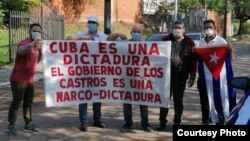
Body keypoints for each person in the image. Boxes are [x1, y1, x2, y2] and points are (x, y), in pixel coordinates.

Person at [108, 24, 154, 132]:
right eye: (134, 31)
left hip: (142, 79)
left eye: (139, 32)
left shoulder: (147, 45)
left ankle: (145, 124)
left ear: (142, 34)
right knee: (127, 102)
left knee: (143, 103)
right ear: (131, 33)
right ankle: (128, 123)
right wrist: (119, 34)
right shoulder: (124, 44)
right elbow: (109, 41)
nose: (136, 33)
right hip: (126, 78)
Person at [67, 16, 108, 131]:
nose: (91, 24)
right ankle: (83, 122)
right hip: (83, 72)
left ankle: (97, 120)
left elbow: (114, 44)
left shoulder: (103, 37)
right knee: (83, 98)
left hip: (98, 73)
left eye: (93, 23)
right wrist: (86, 37)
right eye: (89, 22)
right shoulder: (81, 34)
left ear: (97, 25)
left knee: (97, 98)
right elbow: (68, 39)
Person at [157, 21, 197, 130]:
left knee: (178, 102)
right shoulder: (166, 40)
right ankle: (162, 122)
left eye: (179, 28)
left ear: (184, 29)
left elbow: (194, 62)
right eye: (175, 27)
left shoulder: (189, 42)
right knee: (164, 101)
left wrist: (192, 77)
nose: (177, 29)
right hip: (166, 78)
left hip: (181, 78)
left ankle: (177, 122)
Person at [197, 19, 236, 125]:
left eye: (210, 27)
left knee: (223, 98)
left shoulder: (222, 41)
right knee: (210, 99)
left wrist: (230, 49)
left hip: (220, 77)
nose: (208, 29)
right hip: (207, 77)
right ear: (203, 29)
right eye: (206, 27)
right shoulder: (201, 42)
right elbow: (198, 58)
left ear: (214, 29)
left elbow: (231, 59)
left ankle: (225, 118)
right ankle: (214, 120)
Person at [7, 23, 42, 135]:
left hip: (30, 80)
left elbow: (36, 61)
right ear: (30, 32)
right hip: (18, 79)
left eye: (39, 31)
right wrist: (33, 43)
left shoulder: (38, 47)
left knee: (28, 103)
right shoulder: (25, 42)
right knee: (17, 102)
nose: (37, 32)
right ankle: (11, 125)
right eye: (34, 30)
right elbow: (21, 51)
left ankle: (28, 124)